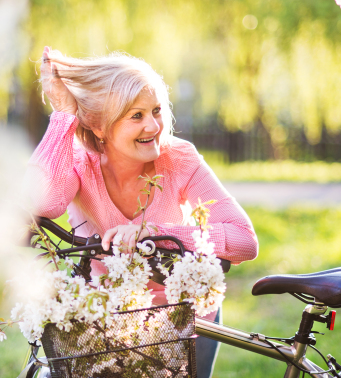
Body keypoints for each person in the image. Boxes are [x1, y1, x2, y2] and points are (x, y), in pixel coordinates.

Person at [25, 46, 259, 378]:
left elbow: (244, 241)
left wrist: (155, 234)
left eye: (157, 110)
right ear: (100, 127)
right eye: (136, 115)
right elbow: (42, 202)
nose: (153, 125)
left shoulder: (179, 159)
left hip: (182, 318)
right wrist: (64, 113)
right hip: (105, 318)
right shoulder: (79, 164)